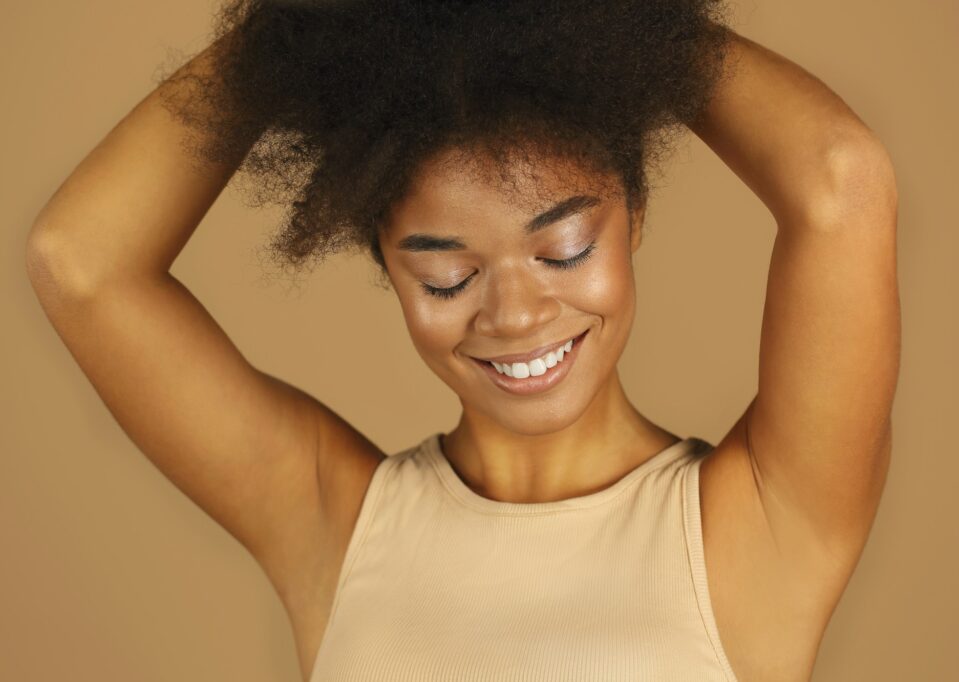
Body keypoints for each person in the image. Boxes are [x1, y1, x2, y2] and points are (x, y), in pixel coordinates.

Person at [25, 1, 900, 681]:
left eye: (561, 249)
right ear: (387, 266)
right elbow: (80, 263)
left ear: (634, 216)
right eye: (447, 276)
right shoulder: (333, 524)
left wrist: (620, 22)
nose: (513, 315)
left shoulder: (758, 524)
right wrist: (305, 25)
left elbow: (841, 180)